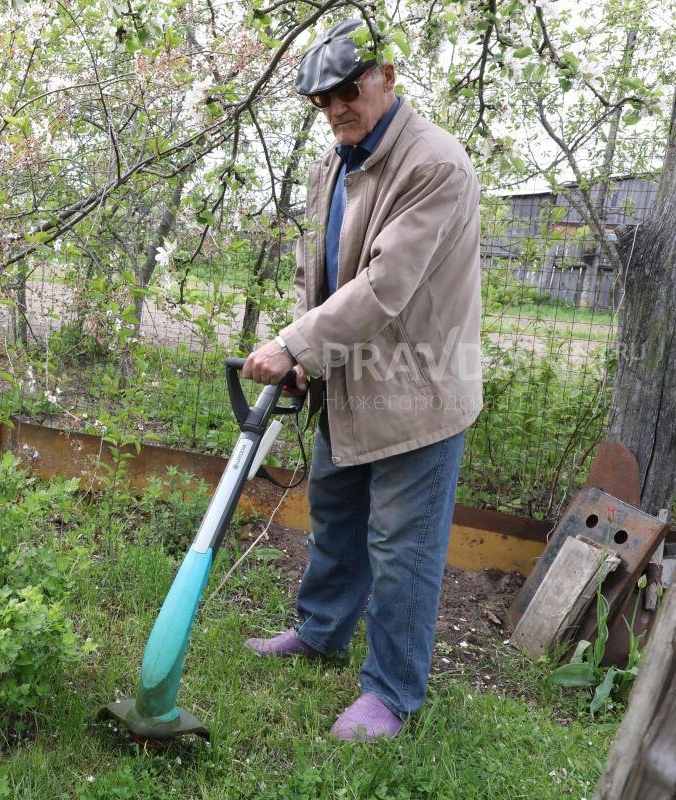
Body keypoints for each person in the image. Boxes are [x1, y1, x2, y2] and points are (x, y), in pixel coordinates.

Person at [240, 18, 483, 742]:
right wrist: (303, 351)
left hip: (417, 390)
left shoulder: (432, 164)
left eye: (347, 90)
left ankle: (392, 692)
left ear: (387, 77)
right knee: (337, 517)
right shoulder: (337, 162)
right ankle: (320, 631)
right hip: (345, 379)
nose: (335, 108)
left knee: (402, 548)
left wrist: (294, 342)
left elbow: (385, 285)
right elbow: (321, 275)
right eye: (321, 99)